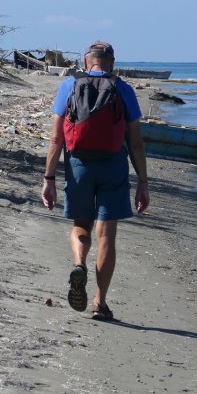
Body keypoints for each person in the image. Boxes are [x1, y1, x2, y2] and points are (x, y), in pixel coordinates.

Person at [41, 41, 149, 321]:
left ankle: (79, 263)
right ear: (111, 63)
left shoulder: (69, 85)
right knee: (107, 235)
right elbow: (135, 143)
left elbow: (56, 138)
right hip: (113, 165)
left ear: (86, 62)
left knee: (81, 225)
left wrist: (49, 178)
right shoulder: (122, 88)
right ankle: (100, 303)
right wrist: (143, 183)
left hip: (78, 165)